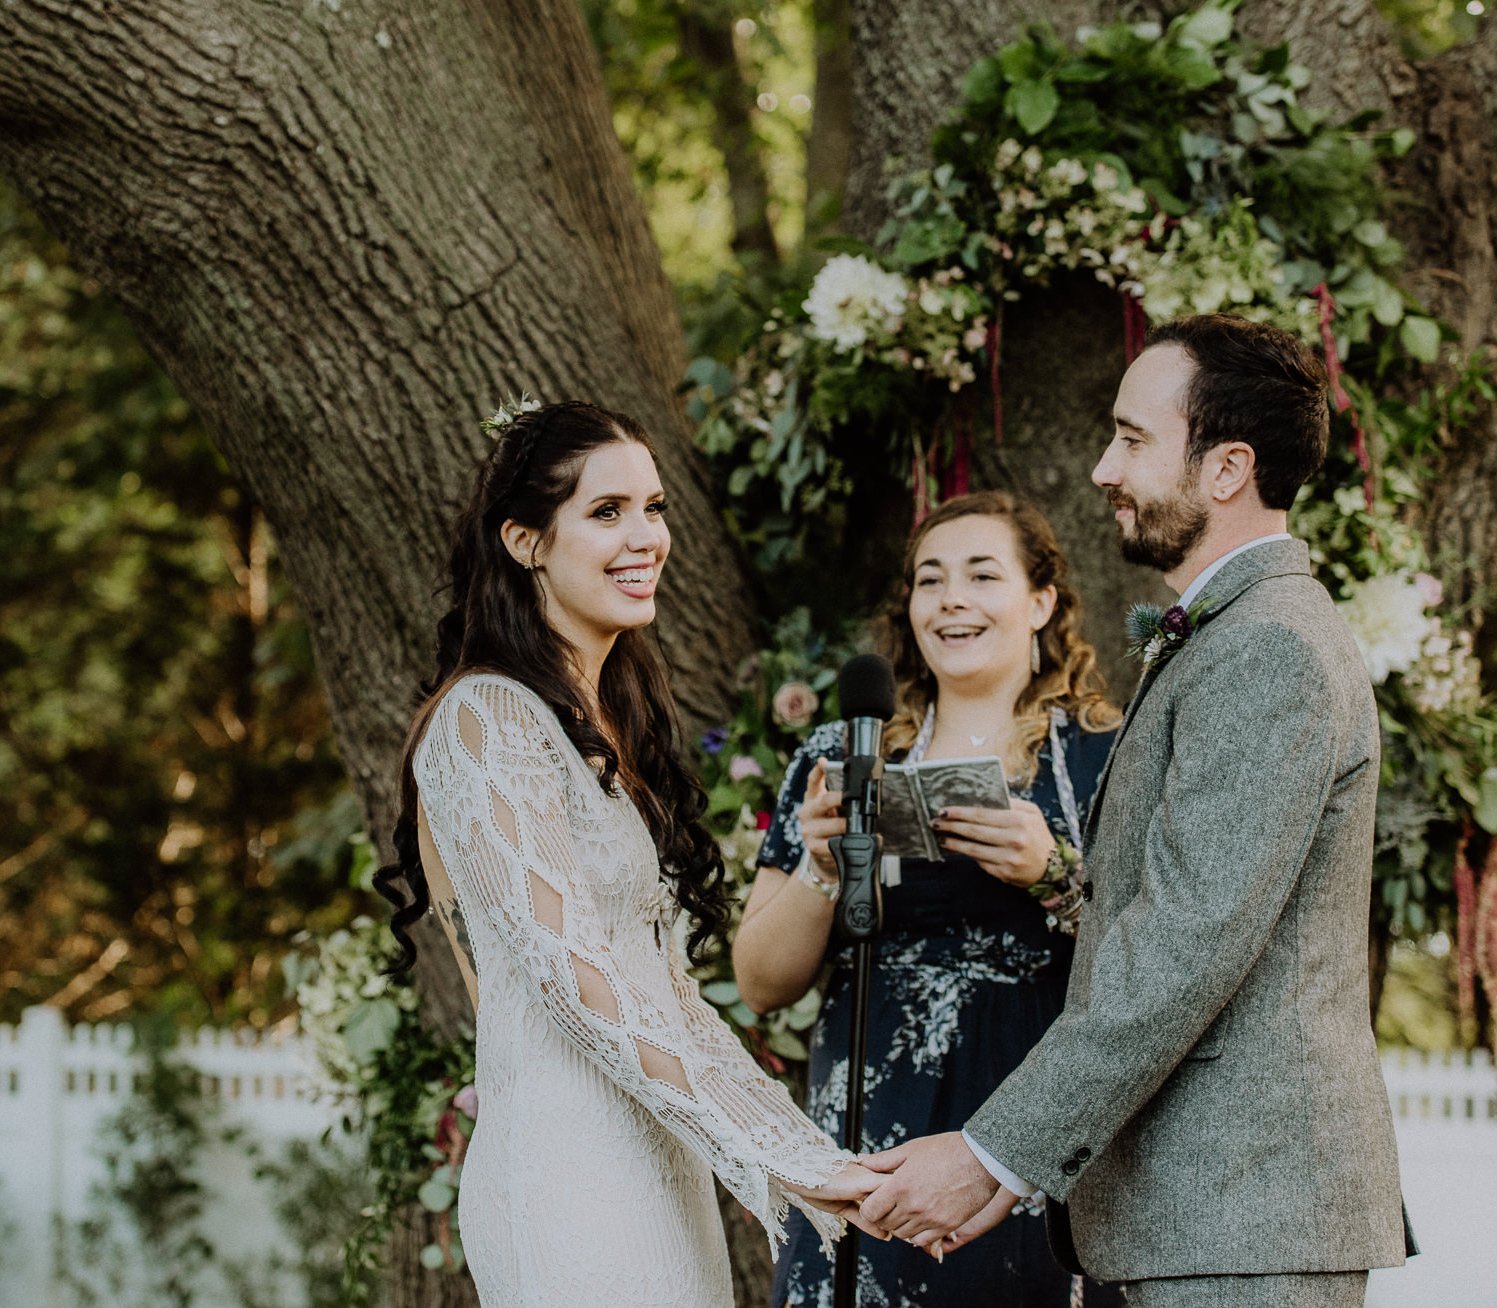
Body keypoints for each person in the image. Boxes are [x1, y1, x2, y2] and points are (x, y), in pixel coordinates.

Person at [853, 315, 1413, 1306]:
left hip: (1241, 1222)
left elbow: (1185, 946)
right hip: (1204, 1222)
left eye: (1132, 437)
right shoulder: (1231, 633)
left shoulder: (1265, 651)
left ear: (1225, 467)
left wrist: (994, 1152)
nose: (1105, 468)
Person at [373, 401, 884, 1308]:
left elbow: (668, 994)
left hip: (657, 1160)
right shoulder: (484, 720)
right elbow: (580, 983)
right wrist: (772, 1151)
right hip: (569, 1178)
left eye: (653, 507)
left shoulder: (605, 729)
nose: (645, 535)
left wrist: (812, 1155)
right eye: (606, 512)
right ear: (526, 540)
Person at [733, 491, 1126, 1308]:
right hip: (868, 1137)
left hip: (1027, 1141)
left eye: (983, 575)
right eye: (930, 580)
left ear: (1040, 602)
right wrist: (821, 868)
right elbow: (762, 983)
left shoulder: (1102, 760)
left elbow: (1160, 969)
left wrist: (1055, 874)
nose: (951, 598)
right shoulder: (844, 753)